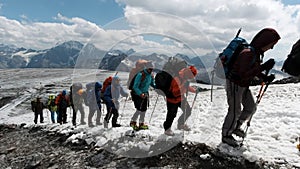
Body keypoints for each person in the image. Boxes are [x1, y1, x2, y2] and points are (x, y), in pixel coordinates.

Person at [221, 28, 280, 147]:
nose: (271, 48)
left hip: (243, 85)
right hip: (235, 83)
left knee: (251, 107)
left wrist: (264, 77)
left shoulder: (256, 53)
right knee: (235, 110)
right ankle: (226, 135)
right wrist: (263, 68)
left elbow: (253, 71)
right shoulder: (247, 53)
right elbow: (243, 73)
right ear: (265, 42)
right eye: (271, 44)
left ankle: (236, 127)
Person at [163, 66, 200, 136]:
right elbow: (175, 92)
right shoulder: (177, 78)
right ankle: (167, 129)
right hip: (172, 99)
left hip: (181, 98)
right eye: (190, 77)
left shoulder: (184, 77)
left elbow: (186, 87)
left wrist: (194, 91)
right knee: (171, 115)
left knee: (188, 111)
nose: (189, 78)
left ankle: (180, 124)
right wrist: (184, 85)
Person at [129, 62, 156, 130]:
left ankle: (141, 123)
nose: (151, 71)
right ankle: (133, 122)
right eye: (150, 69)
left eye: (152, 69)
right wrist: (140, 93)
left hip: (145, 94)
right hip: (137, 94)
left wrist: (158, 87)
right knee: (139, 109)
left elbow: (152, 84)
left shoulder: (150, 75)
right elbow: (135, 87)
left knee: (144, 109)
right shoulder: (140, 75)